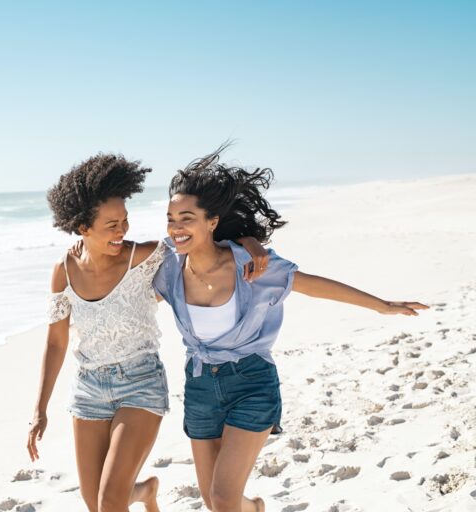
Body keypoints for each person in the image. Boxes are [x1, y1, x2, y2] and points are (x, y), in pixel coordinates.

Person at [154, 146, 428, 512]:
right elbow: (120, 278)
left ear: (212, 222)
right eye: (171, 218)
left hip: (250, 383)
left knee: (221, 500)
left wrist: (381, 305)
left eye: (186, 217)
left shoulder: (253, 268)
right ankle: (257, 508)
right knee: (216, 499)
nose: (176, 228)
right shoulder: (167, 268)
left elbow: (313, 285)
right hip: (200, 386)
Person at [26, 153, 266, 512]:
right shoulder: (64, 270)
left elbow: (202, 239)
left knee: (109, 502)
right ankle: (145, 492)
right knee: (96, 503)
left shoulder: (147, 257)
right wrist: (39, 409)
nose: (122, 231)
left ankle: (131, 495)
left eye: (124, 221)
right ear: (82, 227)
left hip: (141, 383)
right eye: (111, 225)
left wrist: (249, 242)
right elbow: (56, 341)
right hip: (88, 390)